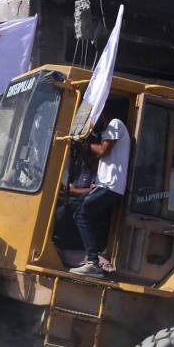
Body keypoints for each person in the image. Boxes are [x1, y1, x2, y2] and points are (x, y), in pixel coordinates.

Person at [69, 117, 131, 278]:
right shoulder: (106, 132)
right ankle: (89, 257)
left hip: (111, 185)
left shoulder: (115, 123)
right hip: (104, 185)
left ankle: (93, 263)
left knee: (82, 214)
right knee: (76, 212)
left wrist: (85, 144)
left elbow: (104, 151)